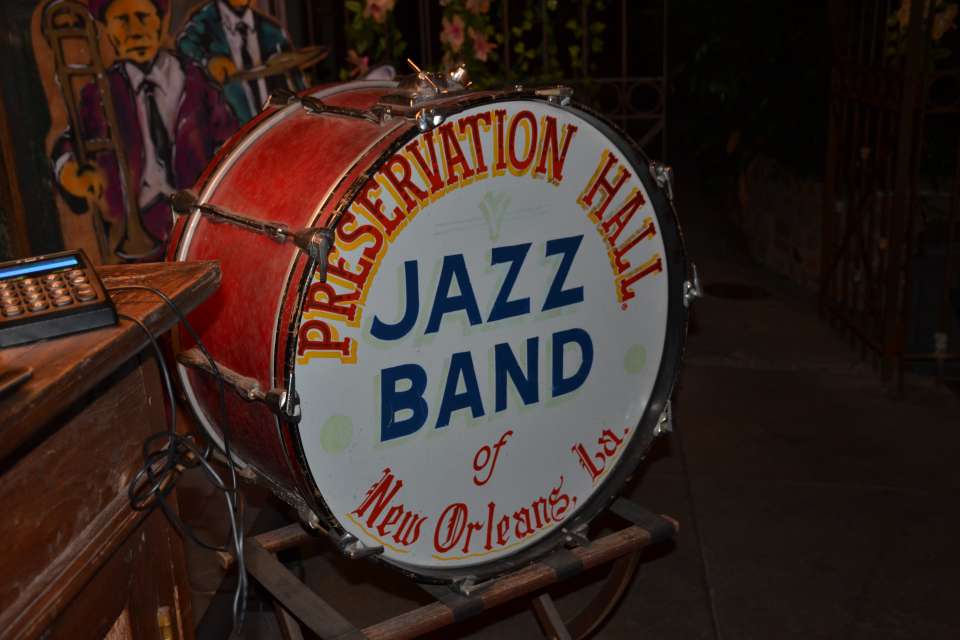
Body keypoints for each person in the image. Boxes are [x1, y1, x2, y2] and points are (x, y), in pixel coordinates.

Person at [53, 0, 237, 259]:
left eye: (143, 17)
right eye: (122, 21)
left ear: (161, 22)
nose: (135, 31)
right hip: (134, 233)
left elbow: (230, 139)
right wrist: (68, 169)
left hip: (198, 221)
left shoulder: (196, 79)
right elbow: (72, 140)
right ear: (107, 30)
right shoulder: (100, 91)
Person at [177, 0, 301, 124]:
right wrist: (207, 60)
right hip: (231, 129)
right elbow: (184, 44)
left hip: (274, 127)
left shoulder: (275, 33)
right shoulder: (202, 23)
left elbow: (298, 88)